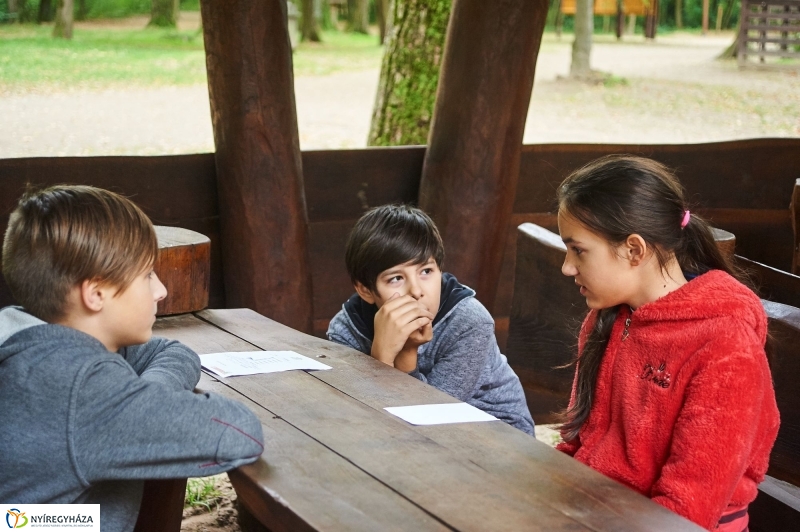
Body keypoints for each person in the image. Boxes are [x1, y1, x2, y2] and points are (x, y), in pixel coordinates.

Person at [0, 185, 264, 532]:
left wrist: (144, 397)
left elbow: (171, 352)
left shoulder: (24, 334)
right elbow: (240, 433)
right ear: (96, 293)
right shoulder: (83, 390)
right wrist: (139, 402)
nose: (161, 291)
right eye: (147, 275)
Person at [554, 155, 780, 531]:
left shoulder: (725, 344)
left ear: (634, 250)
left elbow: (688, 507)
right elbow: (578, 443)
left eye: (578, 250)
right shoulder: (607, 318)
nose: (567, 266)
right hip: (598, 511)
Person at [326, 204, 534, 435]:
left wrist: (405, 353)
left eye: (426, 271)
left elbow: (430, 417)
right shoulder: (346, 330)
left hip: (498, 430)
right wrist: (382, 356)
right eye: (396, 278)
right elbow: (355, 413)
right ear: (365, 290)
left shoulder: (469, 323)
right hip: (410, 435)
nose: (416, 291)